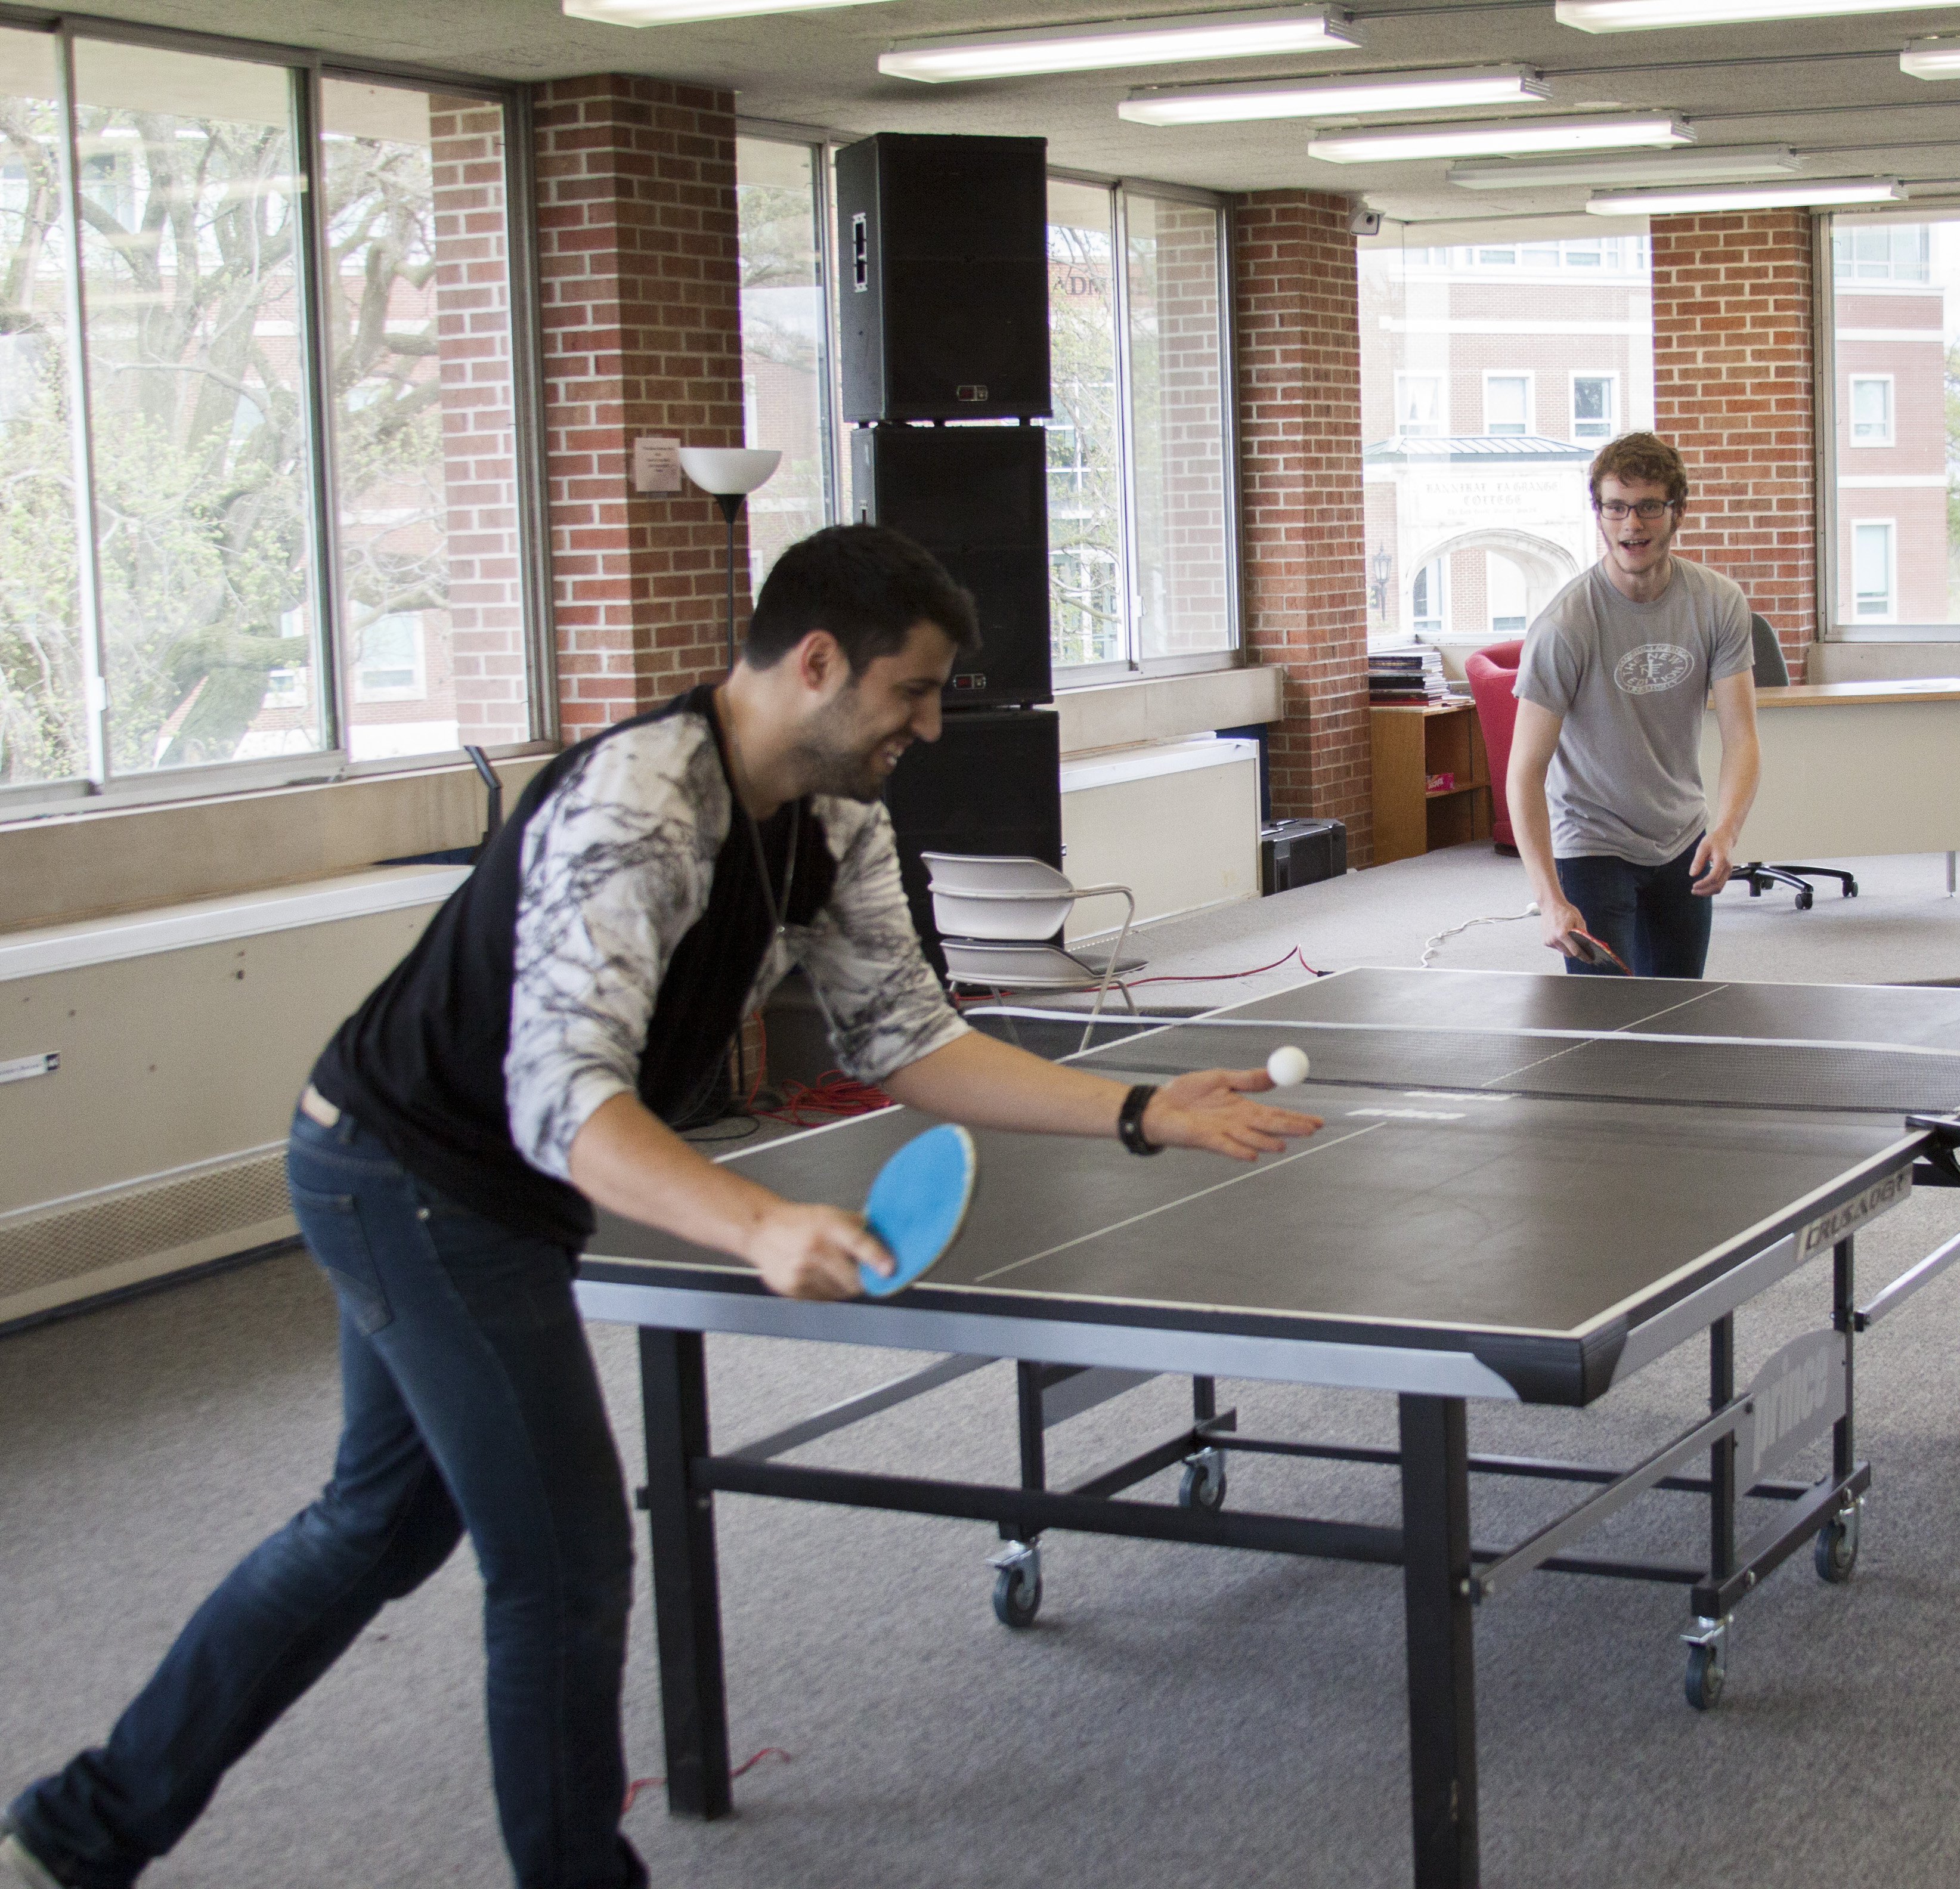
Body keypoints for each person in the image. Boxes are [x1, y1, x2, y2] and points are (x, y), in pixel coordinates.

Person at [0, 524, 1319, 1889]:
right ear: (818, 662)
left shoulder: (834, 819)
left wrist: (1135, 1108)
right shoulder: (640, 805)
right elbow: (564, 1102)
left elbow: (905, 1036)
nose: (929, 726)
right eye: (914, 690)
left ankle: (67, 1839)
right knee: (563, 1557)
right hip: (414, 1174)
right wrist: (756, 1224)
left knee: (377, 1525)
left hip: (482, 1176)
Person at [1504, 432, 1762, 979]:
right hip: (1592, 843)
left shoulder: (1719, 603)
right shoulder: (1565, 626)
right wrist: (1550, 899)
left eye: (1648, 507)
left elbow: (1742, 738)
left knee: (1677, 1011)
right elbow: (1525, 771)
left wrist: (1726, 830)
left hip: (1682, 840)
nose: (1631, 524)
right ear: (1599, 513)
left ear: (1678, 512)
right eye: (1616, 507)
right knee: (1604, 1019)